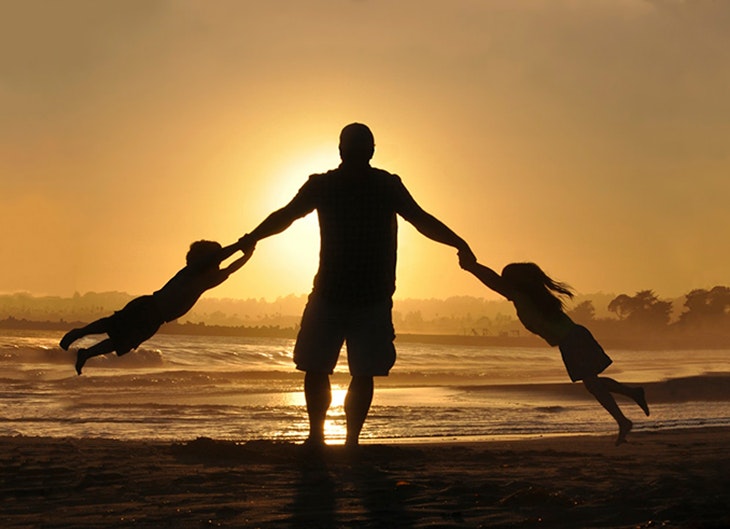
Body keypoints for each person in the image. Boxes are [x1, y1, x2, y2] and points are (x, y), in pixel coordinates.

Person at [238, 123, 474, 448]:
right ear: (371, 150)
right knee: (353, 372)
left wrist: (252, 238)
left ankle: (321, 438)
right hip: (360, 295)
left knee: (322, 368)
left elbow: (286, 216)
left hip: (344, 295)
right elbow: (420, 219)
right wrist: (458, 242)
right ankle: (346, 441)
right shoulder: (377, 185)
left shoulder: (339, 185)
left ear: (341, 150)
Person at [460, 258, 649, 445]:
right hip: (574, 338)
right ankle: (630, 399)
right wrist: (472, 266)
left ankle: (624, 417)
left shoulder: (523, 296)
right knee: (593, 383)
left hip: (573, 339)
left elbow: (492, 281)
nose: (504, 283)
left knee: (592, 384)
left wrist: (472, 267)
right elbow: (495, 281)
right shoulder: (534, 296)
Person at [60, 240, 253, 375]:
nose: (218, 264)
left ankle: (85, 354)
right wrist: (239, 245)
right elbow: (220, 257)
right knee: (112, 324)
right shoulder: (191, 271)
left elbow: (230, 269)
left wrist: (247, 253)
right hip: (149, 306)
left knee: (122, 342)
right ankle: (79, 332)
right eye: (215, 260)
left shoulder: (207, 281)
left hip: (157, 320)